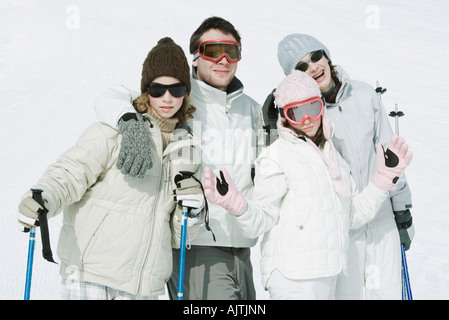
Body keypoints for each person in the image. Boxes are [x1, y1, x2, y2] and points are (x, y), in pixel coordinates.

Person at [17, 37, 204, 300]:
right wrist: (42, 197)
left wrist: (193, 211)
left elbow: (175, 235)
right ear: (145, 90)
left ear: (185, 93)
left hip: (143, 285)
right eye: (157, 89)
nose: (167, 98)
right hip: (90, 272)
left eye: (176, 89)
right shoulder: (115, 131)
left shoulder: (188, 149)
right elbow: (71, 173)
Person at [93, 17, 265, 300]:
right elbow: (111, 97)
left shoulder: (252, 110)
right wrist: (128, 121)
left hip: (242, 244)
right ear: (196, 57)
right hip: (195, 243)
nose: (223, 60)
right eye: (212, 50)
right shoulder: (179, 96)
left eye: (231, 51)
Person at [203, 70, 413, 300]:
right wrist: (237, 205)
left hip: (329, 275)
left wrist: (383, 179)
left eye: (312, 108)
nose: (306, 119)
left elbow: (351, 216)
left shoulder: (335, 158)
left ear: (321, 107)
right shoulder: (276, 156)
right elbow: (259, 221)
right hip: (293, 279)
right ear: (284, 117)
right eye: (296, 113)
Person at [261, 33, 414, 299]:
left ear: (327, 55)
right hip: (342, 227)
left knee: (386, 293)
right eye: (302, 67)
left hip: (381, 220)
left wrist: (402, 209)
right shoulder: (307, 116)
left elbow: (391, 159)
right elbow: (287, 157)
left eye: (315, 56)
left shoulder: (365, 95)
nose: (313, 67)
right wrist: (271, 125)